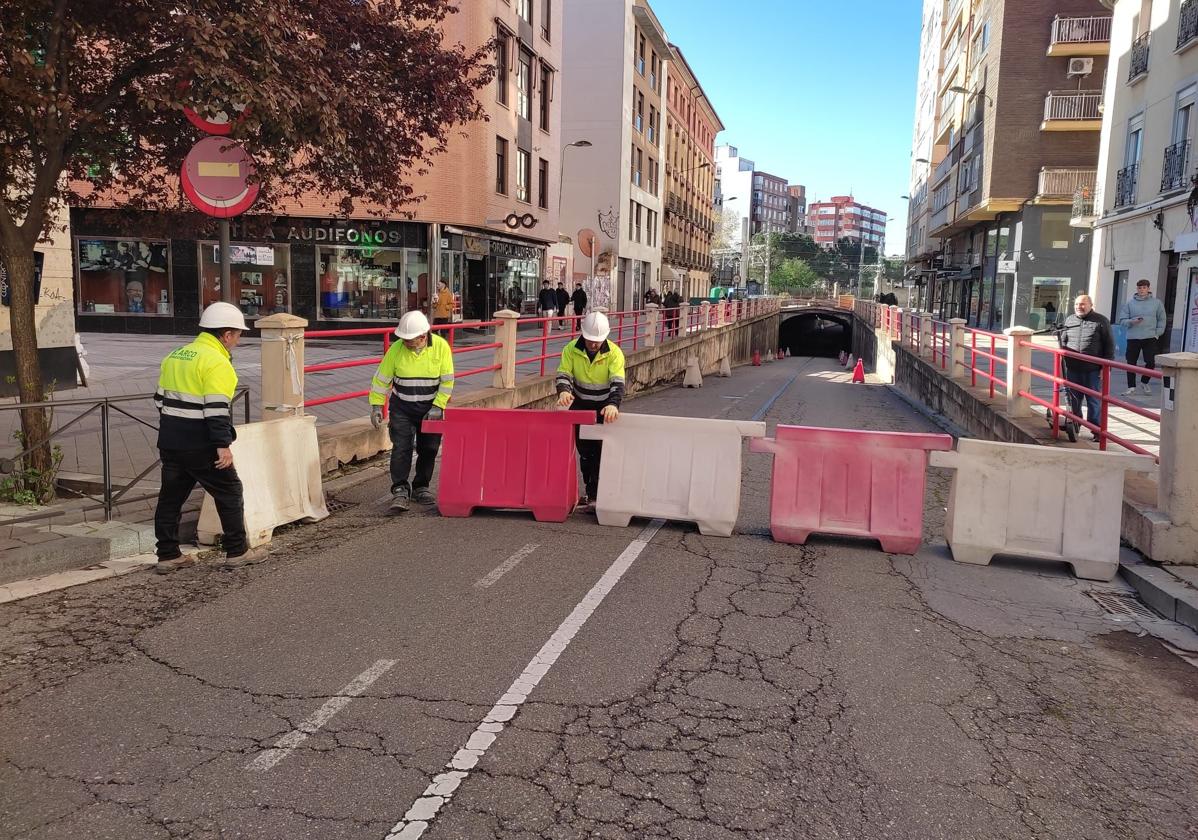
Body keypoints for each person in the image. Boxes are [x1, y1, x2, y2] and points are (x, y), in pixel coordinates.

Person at [153, 302, 266, 572]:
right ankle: (237, 551)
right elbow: (216, 411)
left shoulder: (176, 355)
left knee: (170, 498)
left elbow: (159, 399)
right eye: (238, 335)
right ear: (226, 334)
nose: (238, 341)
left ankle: (168, 555)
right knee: (229, 492)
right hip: (202, 443)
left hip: (170, 440)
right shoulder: (217, 362)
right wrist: (222, 446)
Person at [369, 311, 454, 511]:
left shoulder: (441, 348)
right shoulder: (396, 349)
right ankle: (400, 489)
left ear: (423, 337)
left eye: (409, 339)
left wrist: (438, 406)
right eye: (403, 339)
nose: (405, 343)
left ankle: (421, 487)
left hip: (430, 408)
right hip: (402, 408)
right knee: (401, 449)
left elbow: (447, 380)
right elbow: (381, 379)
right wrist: (376, 406)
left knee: (429, 449)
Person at [555, 312, 625, 512]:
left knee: (603, 453)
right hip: (580, 407)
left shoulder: (614, 353)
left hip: (605, 409)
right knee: (585, 453)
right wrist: (564, 393)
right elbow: (564, 374)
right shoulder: (570, 349)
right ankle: (591, 493)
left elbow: (617, 382)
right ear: (582, 335)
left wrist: (613, 404)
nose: (593, 344)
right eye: (590, 340)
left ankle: (602, 495)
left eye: (597, 341)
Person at [1058, 294, 1115, 441]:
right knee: (1073, 399)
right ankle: (1074, 424)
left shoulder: (1101, 321)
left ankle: (1097, 431)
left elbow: (1109, 345)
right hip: (1073, 368)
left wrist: (1106, 368)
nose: (1079, 307)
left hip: (1093, 369)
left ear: (1091, 305)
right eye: (1077, 304)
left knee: (1094, 401)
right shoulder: (1070, 320)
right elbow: (1063, 340)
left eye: (1083, 304)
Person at [1117, 278, 1167, 396]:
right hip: (1133, 337)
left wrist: (1157, 333)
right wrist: (1131, 321)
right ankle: (1131, 387)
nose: (1142, 290)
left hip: (1150, 337)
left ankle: (1144, 382)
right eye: (1140, 288)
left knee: (1150, 362)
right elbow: (1122, 320)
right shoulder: (1130, 303)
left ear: (1148, 289)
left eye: (1144, 288)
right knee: (1131, 362)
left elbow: (1162, 319)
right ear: (1137, 289)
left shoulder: (1157, 303)